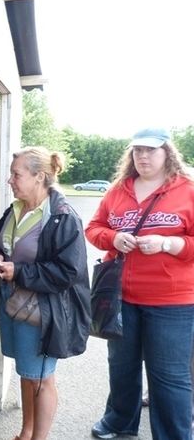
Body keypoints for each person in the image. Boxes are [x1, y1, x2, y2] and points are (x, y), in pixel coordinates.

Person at [86, 127, 194, 439]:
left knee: (169, 376)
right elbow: (93, 228)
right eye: (138, 150)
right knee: (122, 366)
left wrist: (168, 244)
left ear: (167, 153)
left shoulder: (187, 190)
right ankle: (120, 422)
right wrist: (113, 238)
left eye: (151, 150)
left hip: (172, 302)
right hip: (121, 297)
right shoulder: (119, 190)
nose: (143, 156)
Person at [0, 146, 91, 440]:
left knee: (41, 379)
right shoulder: (15, 209)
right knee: (27, 372)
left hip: (42, 310)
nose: (10, 180)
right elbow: (0, 244)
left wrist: (17, 271)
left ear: (39, 177)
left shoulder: (62, 217)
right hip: (13, 301)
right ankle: (25, 433)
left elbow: (69, 272)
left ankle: (39, 438)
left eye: (16, 174)